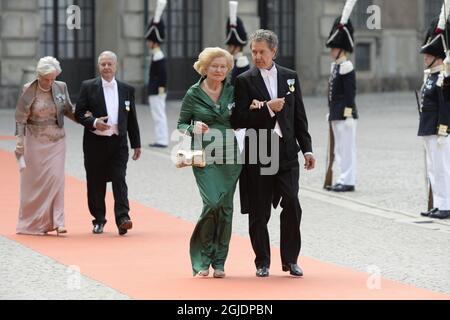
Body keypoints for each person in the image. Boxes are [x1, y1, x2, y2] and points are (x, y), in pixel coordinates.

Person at [231, 29, 315, 277]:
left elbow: (299, 116)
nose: (257, 56)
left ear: (273, 51)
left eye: (262, 52)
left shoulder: (290, 77)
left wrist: (307, 148)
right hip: (258, 151)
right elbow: (238, 118)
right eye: (254, 52)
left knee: (292, 203)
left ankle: (290, 260)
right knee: (259, 211)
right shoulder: (244, 80)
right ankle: (262, 262)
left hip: (288, 152)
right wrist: (267, 108)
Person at [177, 47, 242, 278]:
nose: (219, 70)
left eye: (223, 66)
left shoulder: (233, 92)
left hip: (232, 157)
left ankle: (219, 262)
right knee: (212, 203)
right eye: (214, 66)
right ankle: (202, 257)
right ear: (204, 68)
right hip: (204, 156)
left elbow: (244, 118)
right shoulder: (193, 93)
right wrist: (192, 127)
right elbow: (181, 124)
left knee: (225, 209)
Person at [75, 51, 142, 235]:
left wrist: (136, 143)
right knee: (95, 182)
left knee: (119, 179)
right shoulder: (88, 86)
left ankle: (123, 218)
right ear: (99, 66)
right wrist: (95, 122)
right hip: (94, 143)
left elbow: (132, 119)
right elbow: (79, 113)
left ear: (116, 66)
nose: (106, 67)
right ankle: (98, 220)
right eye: (103, 64)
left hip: (118, 143)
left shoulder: (127, 89)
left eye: (109, 64)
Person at [15, 56, 76, 235]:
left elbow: (69, 110)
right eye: (46, 79)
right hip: (34, 140)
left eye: (53, 78)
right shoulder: (28, 89)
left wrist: (90, 121)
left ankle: (59, 221)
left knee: (57, 179)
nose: (50, 82)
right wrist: (20, 140)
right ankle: (34, 223)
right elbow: (20, 117)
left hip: (57, 140)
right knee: (34, 185)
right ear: (38, 75)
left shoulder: (61, 87)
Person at [418, 13, 450, 220]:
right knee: (433, 169)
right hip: (428, 129)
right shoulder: (431, 76)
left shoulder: (443, 77)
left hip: (439, 131)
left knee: (442, 169)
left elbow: (446, 106)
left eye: (428, 55)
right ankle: (438, 203)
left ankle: (446, 204)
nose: (425, 57)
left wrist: (443, 129)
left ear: (437, 57)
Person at [324, 0, 358, 192]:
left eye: (334, 48)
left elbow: (349, 94)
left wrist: (347, 114)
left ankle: (348, 180)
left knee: (346, 149)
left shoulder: (346, 66)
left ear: (341, 48)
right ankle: (342, 177)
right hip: (336, 113)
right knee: (338, 149)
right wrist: (332, 112)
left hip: (345, 115)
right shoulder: (336, 66)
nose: (331, 51)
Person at [145, 0, 169, 148]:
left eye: (149, 41)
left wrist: (160, 89)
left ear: (154, 42)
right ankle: (160, 138)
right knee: (157, 115)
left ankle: (162, 140)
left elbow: (163, 75)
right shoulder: (155, 54)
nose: (148, 43)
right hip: (155, 90)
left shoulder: (158, 55)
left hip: (157, 91)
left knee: (159, 114)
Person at [225, 1, 250, 85]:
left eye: (231, 45)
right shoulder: (231, 60)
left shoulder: (242, 63)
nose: (228, 48)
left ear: (237, 47)